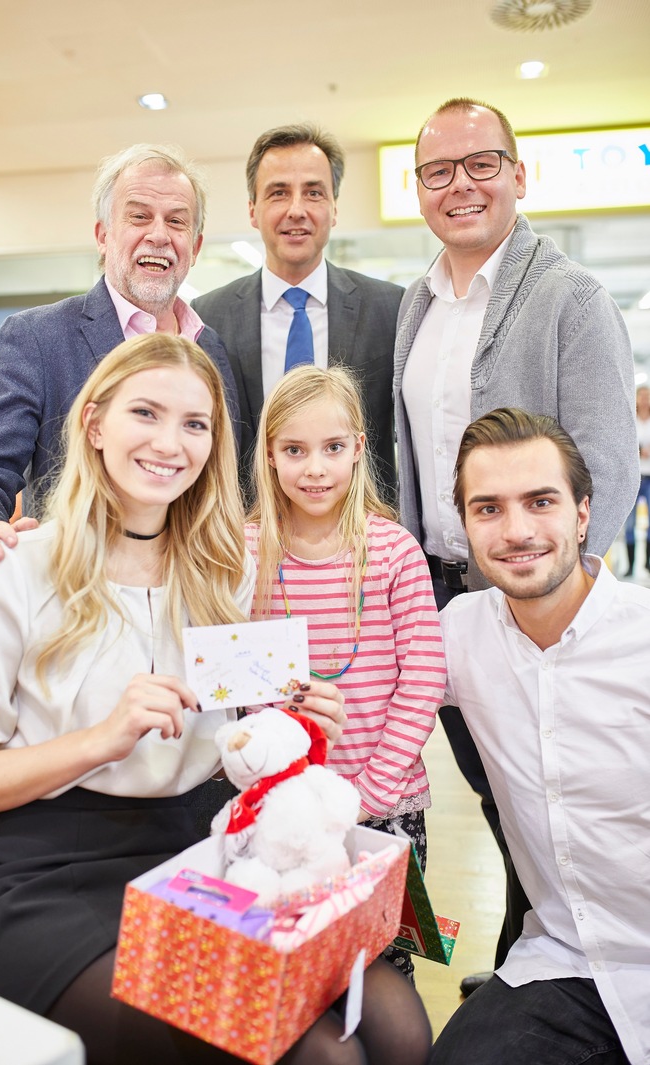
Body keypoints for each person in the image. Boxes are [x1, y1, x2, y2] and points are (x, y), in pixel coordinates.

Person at [0, 334, 432, 1065]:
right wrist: (101, 738)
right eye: (147, 412)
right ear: (95, 424)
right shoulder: (18, 570)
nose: (171, 442)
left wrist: (292, 726)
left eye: (195, 424)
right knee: (318, 1057)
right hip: (51, 876)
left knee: (397, 1028)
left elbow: (243, 741)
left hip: (200, 857)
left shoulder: (226, 573)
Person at [393, 96, 639, 991]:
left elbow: (604, 463)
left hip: (533, 599)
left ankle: (537, 970)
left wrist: (556, 603)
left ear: (518, 174)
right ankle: (535, 960)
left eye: (481, 163)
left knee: (547, 793)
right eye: (437, 171)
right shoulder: (417, 305)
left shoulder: (569, 296)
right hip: (441, 595)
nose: (460, 186)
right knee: (506, 801)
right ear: (418, 189)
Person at [430, 406, 648, 1065]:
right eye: (488, 508)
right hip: (566, 962)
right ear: (465, 524)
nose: (517, 530)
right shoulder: (457, 634)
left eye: (541, 501)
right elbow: (353, 692)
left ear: (583, 512)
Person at [0, 142, 240, 595]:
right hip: (77, 601)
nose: (159, 234)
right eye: (139, 216)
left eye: (176, 221)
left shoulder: (211, 347)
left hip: (192, 604)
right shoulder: (38, 338)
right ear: (103, 235)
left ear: (194, 247)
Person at [246, 364, 446, 981]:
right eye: (295, 450)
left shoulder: (391, 551)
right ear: (270, 454)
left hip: (385, 807)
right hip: (284, 805)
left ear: (359, 448)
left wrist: (370, 794)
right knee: (296, 957)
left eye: (333, 448)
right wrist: (281, 778)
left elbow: (423, 677)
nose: (315, 469)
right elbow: (235, 678)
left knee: (382, 961)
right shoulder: (245, 551)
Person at [192, 123, 403, 498]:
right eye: (278, 193)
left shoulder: (390, 309)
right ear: (253, 210)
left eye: (314, 193)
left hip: (363, 539)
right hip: (245, 539)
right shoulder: (208, 318)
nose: (296, 210)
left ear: (334, 208)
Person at [623, 384, 650, 577]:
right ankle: (630, 565)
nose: (644, 400)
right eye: (641, 396)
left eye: (647, 396)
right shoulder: (630, 420)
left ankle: (648, 564)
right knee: (630, 523)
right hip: (634, 477)